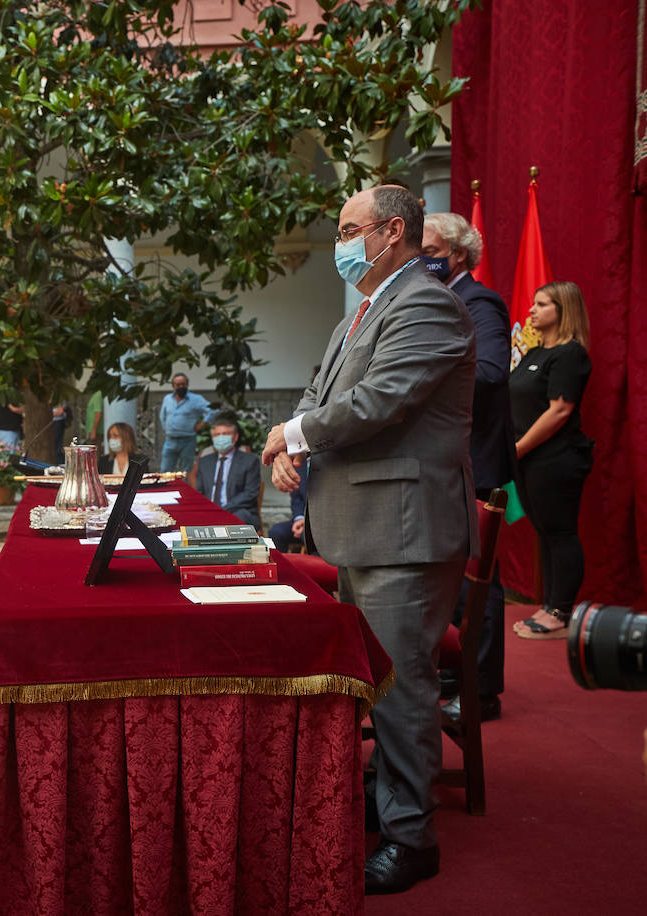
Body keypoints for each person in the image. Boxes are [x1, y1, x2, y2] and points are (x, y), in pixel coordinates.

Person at [261, 185, 476, 895]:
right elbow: (317, 399)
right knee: (377, 679)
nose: (341, 245)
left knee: (403, 686)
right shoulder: (363, 311)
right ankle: (389, 802)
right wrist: (290, 447)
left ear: (392, 230)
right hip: (361, 529)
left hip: (403, 532)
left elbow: (379, 402)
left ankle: (413, 838)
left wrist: (291, 436)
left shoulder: (427, 304)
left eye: (350, 230)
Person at [424, 212, 516, 720]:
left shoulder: (479, 302)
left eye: (429, 248)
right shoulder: (438, 298)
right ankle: (455, 676)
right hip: (446, 460)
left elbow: (489, 372)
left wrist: (423, 376)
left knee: (478, 584)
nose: (420, 257)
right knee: (450, 577)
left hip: (475, 461)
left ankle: (481, 689)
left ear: (457, 254)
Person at [509, 281, 594, 640]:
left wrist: (516, 449)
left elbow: (559, 410)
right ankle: (549, 606)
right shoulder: (534, 353)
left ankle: (561, 612)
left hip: (555, 460)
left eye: (542, 304)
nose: (531, 310)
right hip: (529, 459)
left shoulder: (570, 354)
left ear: (563, 311)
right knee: (544, 532)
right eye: (533, 303)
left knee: (560, 534)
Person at [193, 413, 262, 529]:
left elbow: (250, 494)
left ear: (235, 437)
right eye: (217, 435)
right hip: (209, 512)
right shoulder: (204, 462)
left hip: (237, 511)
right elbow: (199, 493)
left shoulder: (249, 461)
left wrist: (221, 510)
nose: (220, 438)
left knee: (236, 519)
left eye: (225, 434)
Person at [158, 373, 210, 473]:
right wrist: (167, 428)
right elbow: (162, 416)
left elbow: (212, 411)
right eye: (178, 385)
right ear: (173, 386)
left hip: (188, 441)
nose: (181, 387)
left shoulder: (196, 399)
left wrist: (202, 424)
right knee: (165, 470)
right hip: (170, 440)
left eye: (183, 384)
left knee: (186, 471)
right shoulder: (167, 398)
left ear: (187, 384)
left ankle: (184, 489)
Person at [267, 461, 309, 552]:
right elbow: (296, 499)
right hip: (302, 519)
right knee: (276, 532)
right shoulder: (299, 464)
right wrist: (299, 518)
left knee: (308, 535)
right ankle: (281, 565)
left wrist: (307, 524)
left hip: (321, 523)